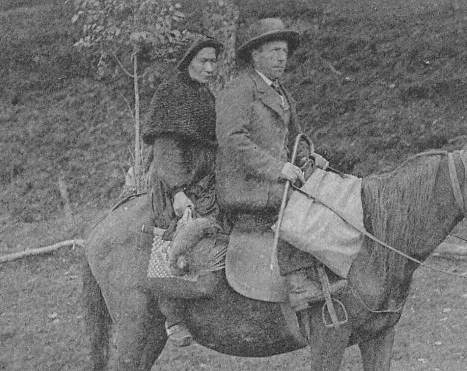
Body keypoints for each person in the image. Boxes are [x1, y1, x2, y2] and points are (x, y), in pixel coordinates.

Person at [215, 18, 342, 311]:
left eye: (283, 51)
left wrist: (309, 157)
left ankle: (327, 271)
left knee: (328, 192)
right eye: (273, 50)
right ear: (255, 54)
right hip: (245, 184)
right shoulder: (240, 89)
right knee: (299, 204)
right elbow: (232, 139)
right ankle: (298, 285)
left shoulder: (281, 92)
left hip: (271, 180)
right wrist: (277, 168)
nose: (281, 57)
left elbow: (295, 137)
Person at [142, 34, 224, 346]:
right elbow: (167, 147)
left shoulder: (205, 95)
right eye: (203, 60)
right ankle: (172, 314)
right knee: (177, 233)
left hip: (206, 180)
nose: (209, 67)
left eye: (213, 61)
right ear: (187, 61)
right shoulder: (170, 94)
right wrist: (177, 190)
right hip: (177, 182)